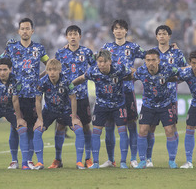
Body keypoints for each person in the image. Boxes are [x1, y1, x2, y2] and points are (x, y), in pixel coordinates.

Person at [71, 49, 132, 169]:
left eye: (104, 62)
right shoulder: (93, 71)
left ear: (109, 62)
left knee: (122, 131)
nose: (101, 64)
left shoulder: (119, 69)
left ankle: (123, 162)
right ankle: (96, 163)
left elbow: (131, 74)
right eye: (99, 62)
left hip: (118, 105)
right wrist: (69, 85)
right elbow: (82, 78)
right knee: (96, 132)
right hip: (101, 105)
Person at [3, 18, 49, 169]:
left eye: (27, 28)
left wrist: (39, 78)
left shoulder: (39, 49)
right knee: (15, 127)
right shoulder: (11, 48)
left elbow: (49, 65)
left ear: (32, 31)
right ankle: (14, 160)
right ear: (18, 31)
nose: (24, 31)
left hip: (33, 96)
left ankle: (28, 160)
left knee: (30, 128)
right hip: (16, 95)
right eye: (22, 28)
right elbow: (3, 65)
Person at [100, 19, 145, 168]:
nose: (118, 31)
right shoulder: (106, 48)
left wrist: (137, 72)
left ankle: (133, 159)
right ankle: (111, 159)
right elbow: (98, 64)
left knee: (131, 125)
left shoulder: (133, 47)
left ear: (126, 31)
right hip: (110, 93)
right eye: (116, 28)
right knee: (109, 126)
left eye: (122, 28)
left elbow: (150, 57)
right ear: (113, 31)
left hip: (127, 91)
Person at [49, 25, 95, 169]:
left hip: (82, 96)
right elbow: (54, 70)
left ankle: (88, 158)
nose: (73, 36)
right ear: (67, 37)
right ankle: (57, 159)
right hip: (65, 97)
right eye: (70, 34)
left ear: (80, 36)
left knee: (86, 126)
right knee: (61, 126)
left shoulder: (87, 52)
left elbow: (95, 67)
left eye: (75, 34)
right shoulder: (60, 53)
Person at [146, 25, 188, 168]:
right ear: (156, 37)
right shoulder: (151, 53)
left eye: (164, 34)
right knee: (150, 128)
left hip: (170, 97)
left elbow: (185, 70)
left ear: (169, 36)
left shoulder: (176, 53)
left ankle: (172, 160)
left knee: (171, 128)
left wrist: (175, 78)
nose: (162, 36)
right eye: (159, 34)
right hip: (152, 98)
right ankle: (148, 159)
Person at [33, 59, 85, 170]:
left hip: (66, 111)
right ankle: (40, 163)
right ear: (46, 71)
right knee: (37, 131)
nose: (52, 72)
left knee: (79, 129)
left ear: (60, 70)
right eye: (50, 70)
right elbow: (38, 100)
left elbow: (73, 98)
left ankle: (79, 162)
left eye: (54, 70)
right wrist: (40, 119)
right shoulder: (42, 82)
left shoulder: (66, 81)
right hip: (49, 111)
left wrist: (74, 117)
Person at [133, 49, 180, 169]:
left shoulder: (168, 69)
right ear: (145, 61)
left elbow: (182, 73)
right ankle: (143, 160)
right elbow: (129, 76)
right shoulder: (141, 71)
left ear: (159, 60)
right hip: (148, 105)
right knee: (143, 130)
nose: (151, 63)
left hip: (165, 104)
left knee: (169, 130)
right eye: (148, 60)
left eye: (154, 60)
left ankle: (172, 161)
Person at [0, 58, 29, 170]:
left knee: (22, 129)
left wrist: (19, 118)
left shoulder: (16, 80)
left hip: (11, 109)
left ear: (10, 69)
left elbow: (15, 100)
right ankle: (15, 161)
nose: (2, 72)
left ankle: (23, 163)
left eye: (5, 69)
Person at [179, 51, 196, 169]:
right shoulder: (187, 72)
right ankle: (189, 161)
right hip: (195, 104)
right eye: (194, 63)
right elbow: (173, 75)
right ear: (190, 63)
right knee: (189, 128)